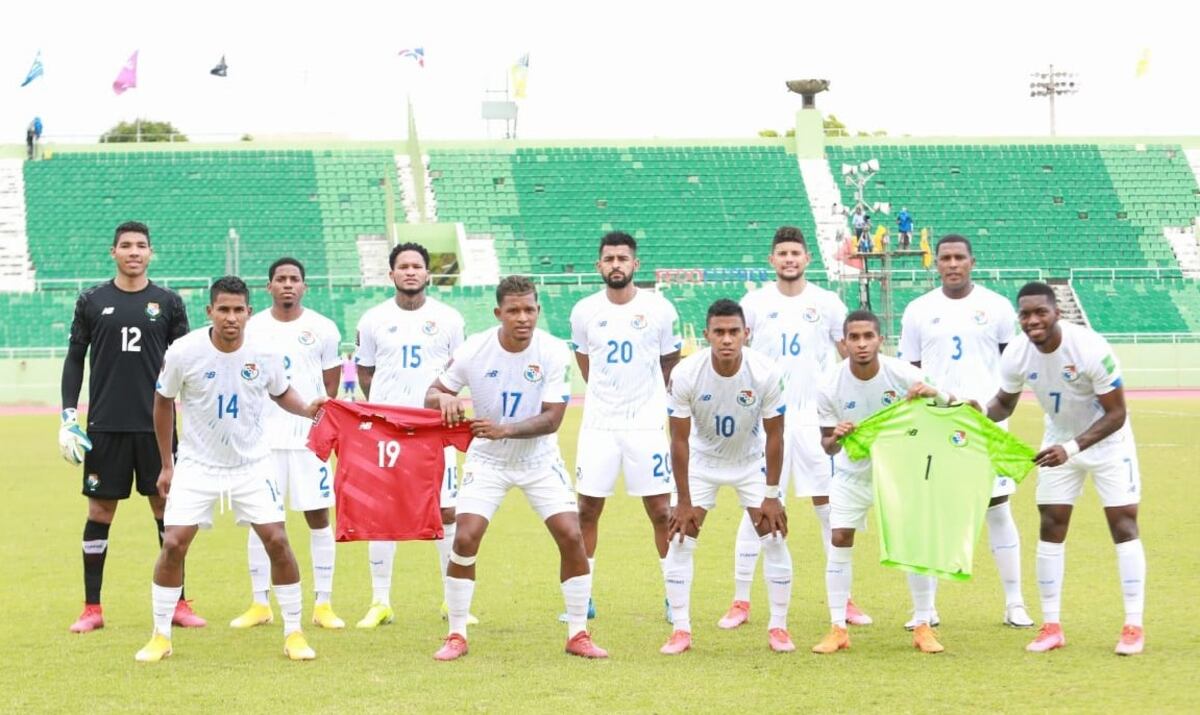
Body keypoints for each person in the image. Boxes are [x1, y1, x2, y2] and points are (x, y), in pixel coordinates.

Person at [135, 276, 326, 662]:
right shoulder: (183, 352)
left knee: (277, 540)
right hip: (197, 464)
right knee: (173, 544)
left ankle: (294, 632)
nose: (231, 317)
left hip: (251, 464)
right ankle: (160, 635)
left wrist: (306, 409)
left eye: (239, 310)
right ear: (210, 312)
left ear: (249, 313)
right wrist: (166, 464)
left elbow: (280, 391)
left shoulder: (265, 352)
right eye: (223, 309)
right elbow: (162, 402)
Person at [426, 275, 608, 661]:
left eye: (529, 309)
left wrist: (503, 429)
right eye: (514, 310)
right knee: (465, 537)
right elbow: (431, 392)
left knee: (571, 534)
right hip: (487, 461)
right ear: (499, 313)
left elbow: (553, 419)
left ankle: (578, 632)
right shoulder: (474, 349)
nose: (523, 317)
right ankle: (456, 633)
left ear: (538, 310)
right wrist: (444, 398)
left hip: (539, 461)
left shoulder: (554, 351)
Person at [59, 220, 205, 634]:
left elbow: (189, 364)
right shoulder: (91, 300)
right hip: (105, 426)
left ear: (150, 253)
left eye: (141, 246)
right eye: (126, 246)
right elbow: (74, 360)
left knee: (167, 510)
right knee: (100, 511)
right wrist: (68, 414)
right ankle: (92, 608)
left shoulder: (169, 302)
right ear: (114, 252)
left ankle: (177, 602)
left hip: (155, 427)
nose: (134, 252)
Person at [721, 226, 871, 629]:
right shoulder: (753, 304)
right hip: (767, 421)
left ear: (807, 259)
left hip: (813, 421)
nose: (789, 259)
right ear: (772, 260)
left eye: (795, 253)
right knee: (757, 510)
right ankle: (740, 600)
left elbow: (848, 355)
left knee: (828, 508)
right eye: (782, 253)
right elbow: (737, 358)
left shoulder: (827, 302)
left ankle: (846, 600)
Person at [986, 282, 1145, 656]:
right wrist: (971, 414)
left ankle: (1133, 625)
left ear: (1057, 312)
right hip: (1057, 440)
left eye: (1040, 312)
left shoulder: (1089, 346)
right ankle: (1052, 626)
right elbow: (1004, 405)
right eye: (1025, 314)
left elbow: (1118, 414)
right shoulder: (1017, 354)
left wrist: (1071, 449)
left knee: (1123, 525)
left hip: (1106, 444)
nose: (1032, 320)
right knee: (1051, 525)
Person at [898, 235, 1033, 629]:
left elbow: (1013, 366)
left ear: (972, 261)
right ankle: (924, 609)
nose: (952, 264)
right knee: (927, 512)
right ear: (935, 263)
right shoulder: (919, 310)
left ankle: (1015, 604)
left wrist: (993, 409)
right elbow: (912, 371)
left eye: (959, 257)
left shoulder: (996, 307)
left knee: (997, 509)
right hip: (935, 426)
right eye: (945, 258)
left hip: (985, 422)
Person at [811, 310, 951, 655]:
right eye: (853, 338)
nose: (861, 344)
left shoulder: (903, 373)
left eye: (867, 337)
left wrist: (934, 392)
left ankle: (922, 625)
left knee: (911, 545)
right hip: (851, 475)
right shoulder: (829, 383)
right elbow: (826, 445)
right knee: (839, 538)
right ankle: (838, 628)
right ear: (843, 343)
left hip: (900, 473)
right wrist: (838, 437)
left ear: (880, 340)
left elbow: (950, 405)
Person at [660, 299, 793, 655]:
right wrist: (684, 501)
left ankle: (778, 626)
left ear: (746, 334)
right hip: (702, 463)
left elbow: (776, 435)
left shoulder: (766, 371)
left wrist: (771, 493)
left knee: (775, 537)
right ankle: (681, 629)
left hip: (751, 461)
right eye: (719, 332)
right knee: (681, 539)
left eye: (734, 331)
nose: (727, 339)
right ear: (706, 335)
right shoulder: (686, 373)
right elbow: (678, 438)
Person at [354, 242, 473, 628]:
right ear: (391, 275)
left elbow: (459, 371)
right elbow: (366, 372)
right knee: (381, 511)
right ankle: (380, 601)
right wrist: (386, 410)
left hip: (434, 428)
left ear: (427, 274)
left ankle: (451, 600)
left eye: (417, 266)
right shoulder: (373, 319)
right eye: (403, 266)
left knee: (446, 509)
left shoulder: (449, 319)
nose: (410, 272)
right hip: (388, 430)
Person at [567, 231, 680, 623]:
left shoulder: (660, 310)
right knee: (587, 509)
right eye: (609, 258)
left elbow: (671, 365)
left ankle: (673, 596)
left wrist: (649, 403)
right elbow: (586, 364)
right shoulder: (583, 311)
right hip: (598, 425)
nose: (616, 264)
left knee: (662, 512)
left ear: (636, 264)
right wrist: (607, 395)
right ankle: (582, 597)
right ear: (598, 265)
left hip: (646, 425)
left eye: (623, 258)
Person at [232, 258, 344, 630]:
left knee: (317, 518)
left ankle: (323, 603)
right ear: (269, 286)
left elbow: (330, 386)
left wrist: (318, 423)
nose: (287, 285)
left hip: (307, 441)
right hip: (261, 442)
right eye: (280, 279)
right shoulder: (253, 327)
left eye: (294, 279)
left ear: (304, 286)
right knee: (260, 521)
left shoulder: (323, 328)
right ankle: (259, 603)